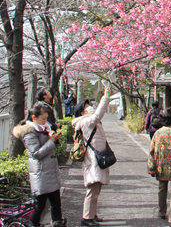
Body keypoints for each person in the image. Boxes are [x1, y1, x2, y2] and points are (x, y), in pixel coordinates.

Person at [13, 103, 67, 227]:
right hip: (41, 173)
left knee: (56, 205)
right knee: (39, 207)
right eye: (43, 118)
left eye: (46, 118)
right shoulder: (29, 133)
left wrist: (54, 138)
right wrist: (51, 142)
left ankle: (57, 223)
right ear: (34, 118)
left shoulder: (44, 128)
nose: (45, 121)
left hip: (50, 172)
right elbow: (36, 153)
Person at [72, 89, 112, 226]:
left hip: (96, 158)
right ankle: (87, 218)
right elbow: (99, 114)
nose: (89, 108)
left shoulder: (88, 121)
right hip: (93, 159)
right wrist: (106, 98)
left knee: (96, 189)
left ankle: (92, 214)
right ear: (82, 112)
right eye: (86, 107)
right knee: (92, 189)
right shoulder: (85, 122)